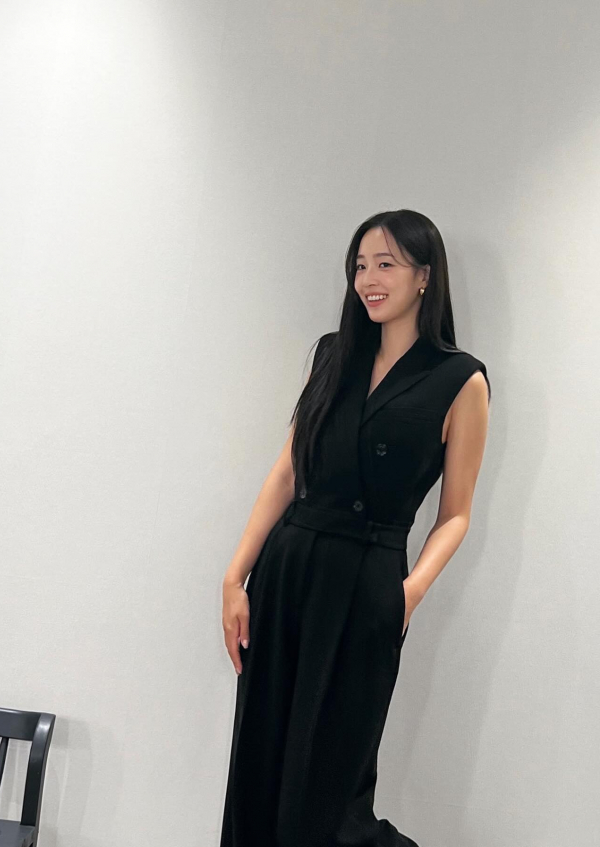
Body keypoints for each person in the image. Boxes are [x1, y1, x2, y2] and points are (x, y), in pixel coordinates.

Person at [219, 209, 491, 847]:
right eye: (360, 266)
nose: (369, 279)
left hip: (368, 580)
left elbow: (456, 513)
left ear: (425, 276)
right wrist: (234, 578)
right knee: (261, 761)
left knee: (332, 790)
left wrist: (407, 594)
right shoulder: (333, 355)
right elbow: (287, 472)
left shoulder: (460, 380)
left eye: (385, 264)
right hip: (286, 570)